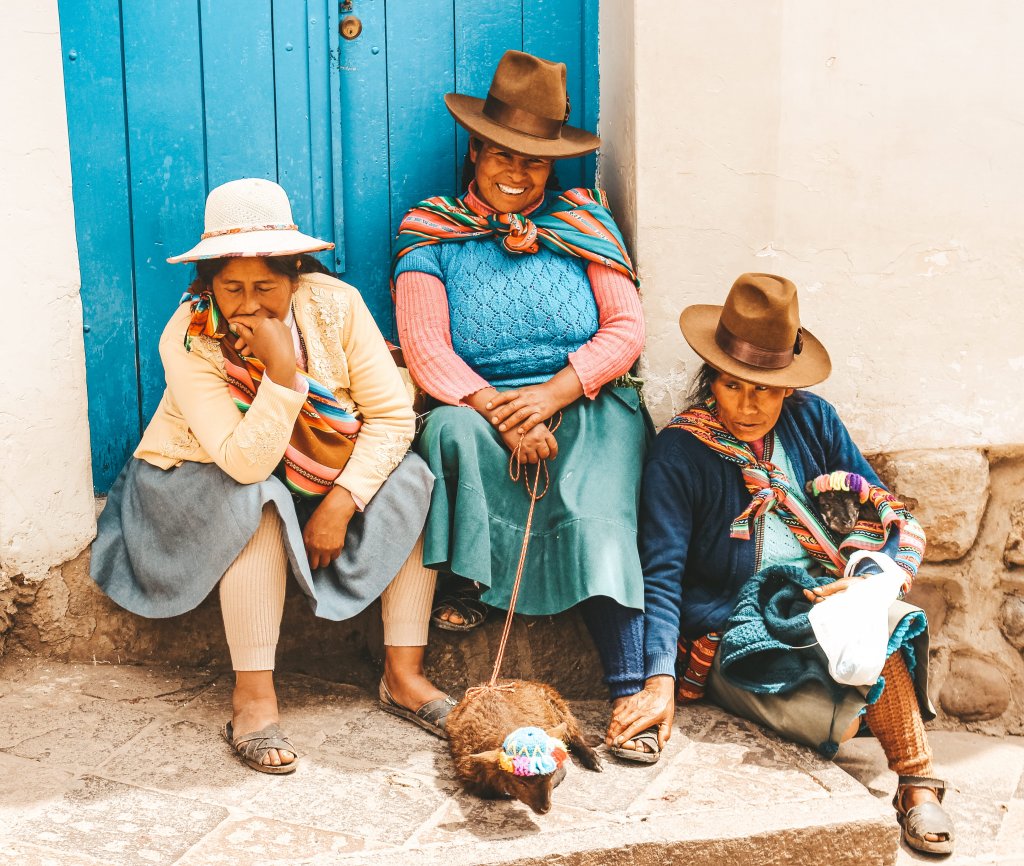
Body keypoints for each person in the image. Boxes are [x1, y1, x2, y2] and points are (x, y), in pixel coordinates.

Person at [91, 178, 454, 775]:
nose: (248, 303)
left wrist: (341, 503)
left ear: (295, 275)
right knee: (257, 498)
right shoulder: (188, 338)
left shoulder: (334, 304)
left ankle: (404, 675)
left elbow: (391, 417)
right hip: (201, 478)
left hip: (319, 472)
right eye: (230, 287)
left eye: (267, 285)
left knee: (411, 477)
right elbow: (243, 461)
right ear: (206, 284)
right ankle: (253, 700)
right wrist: (283, 372)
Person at [604, 274, 954, 856]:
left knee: (878, 622)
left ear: (787, 389)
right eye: (731, 385)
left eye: (764, 391)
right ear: (710, 378)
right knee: (838, 683)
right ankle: (858, 714)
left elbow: (875, 502)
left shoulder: (813, 420)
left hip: (824, 597)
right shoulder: (680, 451)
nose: (746, 405)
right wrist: (658, 679)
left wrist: (861, 581)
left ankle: (916, 782)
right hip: (736, 620)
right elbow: (661, 574)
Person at [392, 50, 650, 695]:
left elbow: (626, 331)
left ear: (552, 165)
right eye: (503, 154)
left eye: (534, 159)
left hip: (587, 400)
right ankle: (477, 582)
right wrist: (502, 412)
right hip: (482, 408)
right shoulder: (431, 229)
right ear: (476, 152)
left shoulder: (584, 224)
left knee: (595, 504)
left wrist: (550, 395)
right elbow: (425, 349)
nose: (517, 171)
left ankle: (626, 684)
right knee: (449, 433)